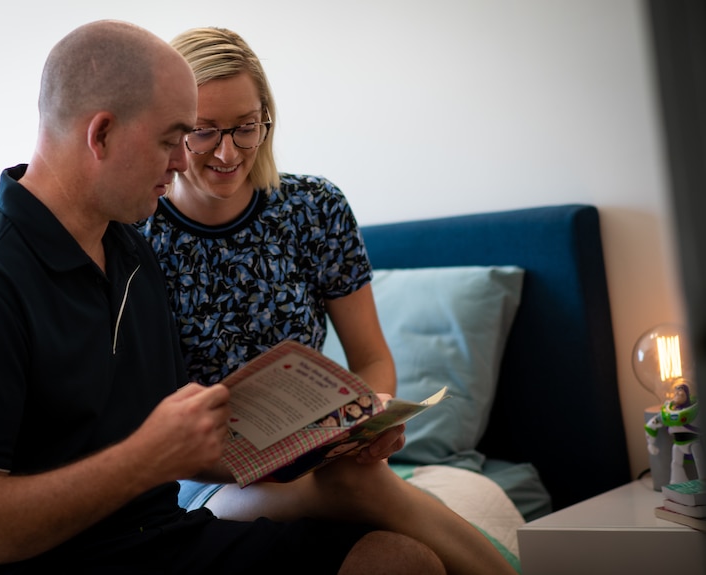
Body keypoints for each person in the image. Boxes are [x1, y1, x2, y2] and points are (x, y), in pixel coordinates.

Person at [0, 19, 445, 575]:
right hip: (47, 560)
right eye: (172, 139)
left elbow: (183, 448)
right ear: (102, 134)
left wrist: (318, 446)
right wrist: (143, 460)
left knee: (398, 561)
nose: (185, 161)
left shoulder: (130, 255)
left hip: (150, 537)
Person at [136, 26, 519, 575]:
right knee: (355, 484)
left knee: (398, 538)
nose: (228, 151)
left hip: (317, 453)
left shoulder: (314, 208)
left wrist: (371, 421)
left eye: (246, 128)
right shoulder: (137, 238)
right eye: (204, 132)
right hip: (206, 479)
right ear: (173, 131)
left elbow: (369, 358)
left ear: (266, 117)